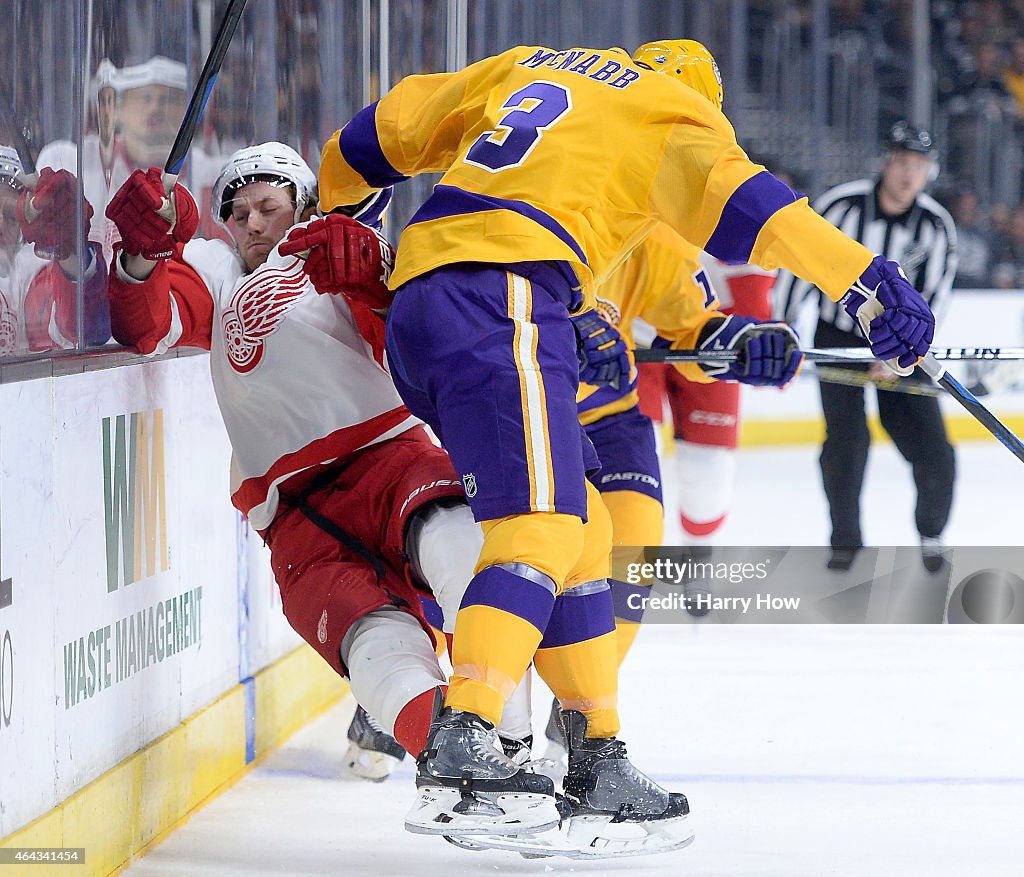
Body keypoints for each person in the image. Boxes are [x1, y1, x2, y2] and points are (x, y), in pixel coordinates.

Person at [304, 37, 936, 843]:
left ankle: (596, 755)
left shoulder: (536, 65)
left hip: (433, 301)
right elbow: (768, 215)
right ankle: (466, 739)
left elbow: (376, 132)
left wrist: (346, 215)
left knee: (589, 531)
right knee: (543, 528)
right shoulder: (670, 113)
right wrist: (869, 285)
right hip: (507, 295)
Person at [103, 142, 490, 794]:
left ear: (303, 205)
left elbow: (413, 347)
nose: (252, 223)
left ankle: (498, 716)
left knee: (454, 539)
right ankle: (462, 770)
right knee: (372, 639)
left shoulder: (337, 248)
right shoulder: (217, 271)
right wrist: (140, 254)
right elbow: (147, 321)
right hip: (295, 514)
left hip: (391, 458)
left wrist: (379, 277)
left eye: (268, 207)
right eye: (239, 211)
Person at [775, 122, 958, 572]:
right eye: (902, 162)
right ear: (886, 162)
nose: (908, 174)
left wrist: (902, 356)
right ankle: (846, 542)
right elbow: (800, 264)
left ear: (929, 171)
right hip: (839, 336)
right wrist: (782, 328)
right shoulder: (841, 206)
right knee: (847, 442)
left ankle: (931, 534)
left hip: (902, 347)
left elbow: (936, 296)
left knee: (935, 450)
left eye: (919, 165)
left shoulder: (936, 226)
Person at [0, 146, 110, 356]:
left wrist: (68, 251)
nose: (1, 225)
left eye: (12, 215)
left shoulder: (32, 277)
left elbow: (86, 328)